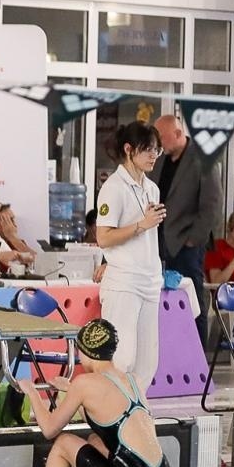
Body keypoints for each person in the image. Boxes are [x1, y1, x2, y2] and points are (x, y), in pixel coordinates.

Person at [18, 319, 173, 467]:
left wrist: (32, 392)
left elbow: (49, 429)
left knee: (63, 443)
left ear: (84, 351)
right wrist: (71, 390)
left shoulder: (84, 383)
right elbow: (103, 420)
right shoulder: (133, 380)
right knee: (95, 440)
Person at [94, 120, 167, 389]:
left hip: (149, 281)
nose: (153, 156)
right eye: (147, 149)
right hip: (124, 283)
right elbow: (103, 237)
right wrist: (141, 225)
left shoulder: (152, 188)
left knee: (147, 363)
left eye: (157, 150)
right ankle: (110, 416)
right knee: (121, 359)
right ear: (129, 149)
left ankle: (134, 415)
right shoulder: (114, 188)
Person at [151, 113, 222, 319]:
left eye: (162, 138)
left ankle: (197, 349)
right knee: (163, 299)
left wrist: (194, 240)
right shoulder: (159, 159)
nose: (159, 143)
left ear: (178, 133)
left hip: (185, 242)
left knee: (190, 301)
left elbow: (212, 204)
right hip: (158, 238)